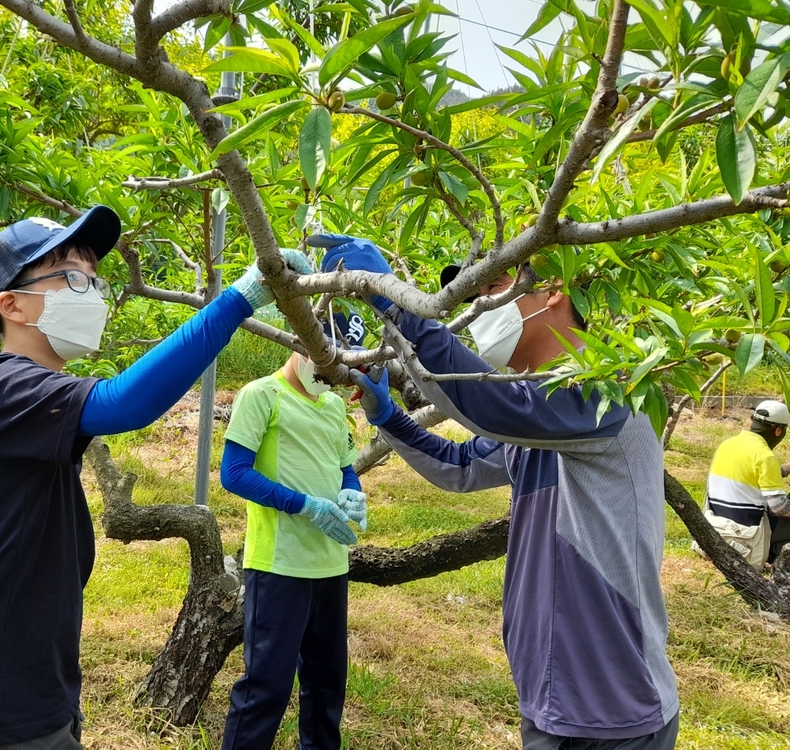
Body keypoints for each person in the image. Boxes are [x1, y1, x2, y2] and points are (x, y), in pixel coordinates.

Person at [0, 205, 311, 750]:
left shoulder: (31, 395)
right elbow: (125, 403)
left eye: (94, 280)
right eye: (71, 277)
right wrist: (240, 298)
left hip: (24, 673)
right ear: (12, 305)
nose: (90, 293)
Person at [309, 234, 679, 749]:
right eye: (472, 299)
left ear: (552, 288)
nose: (480, 308)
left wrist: (391, 296)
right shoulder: (540, 418)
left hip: (617, 710)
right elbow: (460, 465)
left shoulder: (608, 394)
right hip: (549, 698)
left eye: (495, 288)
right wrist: (385, 415)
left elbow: (489, 404)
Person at [219, 311, 368, 750]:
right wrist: (301, 503)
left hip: (330, 564)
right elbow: (234, 474)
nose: (331, 373)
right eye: (324, 358)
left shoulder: (335, 405)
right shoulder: (262, 395)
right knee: (267, 685)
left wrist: (352, 494)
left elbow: (346, 468)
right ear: (299, 344)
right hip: (279, 564)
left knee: (327, 684)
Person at [696, 400, 790, 569]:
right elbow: (779, 507)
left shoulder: (728, 444)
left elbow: (751, 474)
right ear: (778, 430)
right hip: (746, 538)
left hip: (718, 528)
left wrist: (785, 469)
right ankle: (776, 553)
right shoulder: (765, 456)